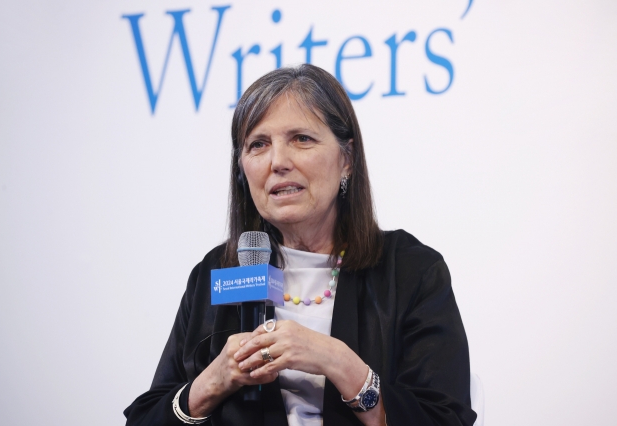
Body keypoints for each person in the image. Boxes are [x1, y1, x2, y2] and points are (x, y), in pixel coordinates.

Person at [124, 64, 476, 426]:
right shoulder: (216, 272)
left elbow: (445, 418)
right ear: (242, 170)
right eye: (258, 144)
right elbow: (144, 419)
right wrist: (212, 382)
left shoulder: (411, 270)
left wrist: (339, 362)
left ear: (348, 160)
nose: (278, 161)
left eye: (301, 139)